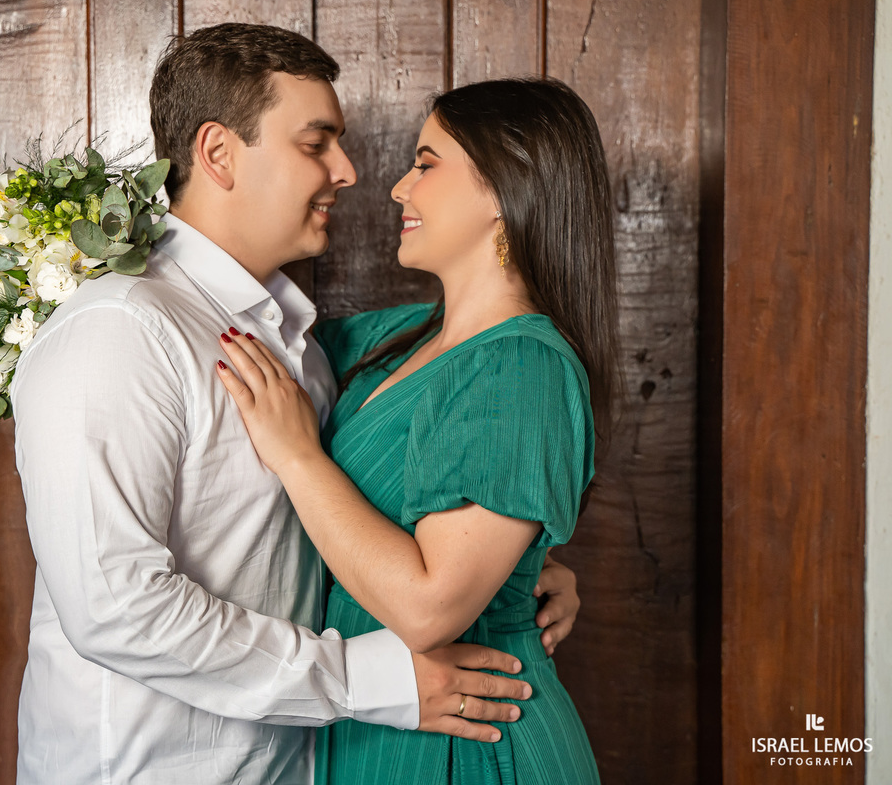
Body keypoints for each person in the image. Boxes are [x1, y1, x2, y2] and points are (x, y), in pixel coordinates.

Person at [10, 25, 582, 784]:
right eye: (317, 143)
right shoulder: (120, 330)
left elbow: (435, 460)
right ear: (217, 154)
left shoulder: (306, 348)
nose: (350, 172)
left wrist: (515, 566)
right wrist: (364, 680)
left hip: (302, 759)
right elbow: (116, 607)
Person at [216, 76, 616, 784]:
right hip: (381, 717)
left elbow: (430, 611)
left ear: (504, 186)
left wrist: (297, 457)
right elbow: (238, 325)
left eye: (426, 164)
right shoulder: (393, 340)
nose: (399, 188)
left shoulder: (523, 366)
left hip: (471, 738)